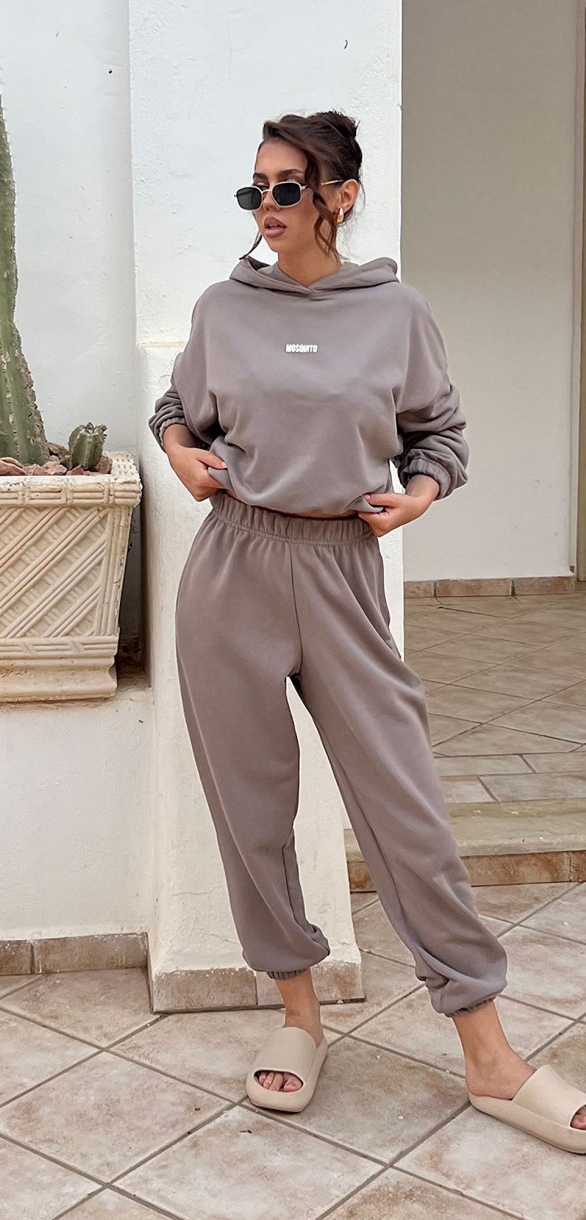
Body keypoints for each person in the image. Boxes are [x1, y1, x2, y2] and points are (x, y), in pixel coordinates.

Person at [148, 110, 586, 1153]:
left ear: (339, 196)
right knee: (251, 805)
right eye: (253, 188)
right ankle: (299, 1017)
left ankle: (488, 1052)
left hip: (341, 566)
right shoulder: (223, 306)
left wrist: (419, 493)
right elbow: (177, 406)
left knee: (405, 807)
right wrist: (176, 449)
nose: (265, 207)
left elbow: (439, 432)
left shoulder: (394, 311)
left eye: (286, 188)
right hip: (233, 567)